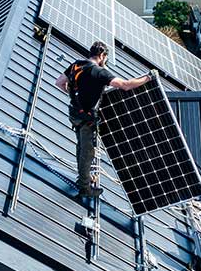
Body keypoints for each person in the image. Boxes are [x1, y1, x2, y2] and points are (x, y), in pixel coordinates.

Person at [54, 41, 153, 199]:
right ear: (102, 56)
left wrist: (75, 98)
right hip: (87, 119)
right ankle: (85, 188)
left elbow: (59, 82)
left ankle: (83, 179)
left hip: (74, 114)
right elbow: (125, 85)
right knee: (87, 153)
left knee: (80, 146)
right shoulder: (100, 72)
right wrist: (148, 77)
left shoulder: (76, 65)